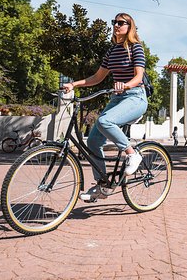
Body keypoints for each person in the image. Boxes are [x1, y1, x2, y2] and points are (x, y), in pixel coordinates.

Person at [62, 13, 148, 202]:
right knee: (93, 141)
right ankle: (103, 185)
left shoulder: (136, 48)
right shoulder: (112, 51)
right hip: (118, 98)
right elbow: (97, 78)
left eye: (120, 23)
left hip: (136, 97)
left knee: (104, 121)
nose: (116, 25)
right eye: (114, 22)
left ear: (129, 26)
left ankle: (132, 154)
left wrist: (126, 85)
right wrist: (74, 84)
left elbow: (138, 78)